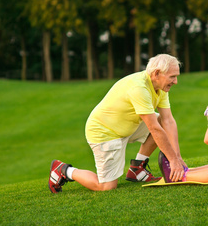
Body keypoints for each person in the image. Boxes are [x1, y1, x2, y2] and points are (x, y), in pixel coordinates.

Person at [49, 54, 187, 193]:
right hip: (104, 132)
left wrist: (177, 156)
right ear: (157, 73)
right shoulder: (139, 88)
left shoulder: (160, 86)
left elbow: (168, 120)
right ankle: (63, 170)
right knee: (106, 187)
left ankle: (137, 169)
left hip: (127, 126)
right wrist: (173, 160)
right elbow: (154, 129)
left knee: (160, 121)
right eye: (172, 77)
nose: (175, 81)